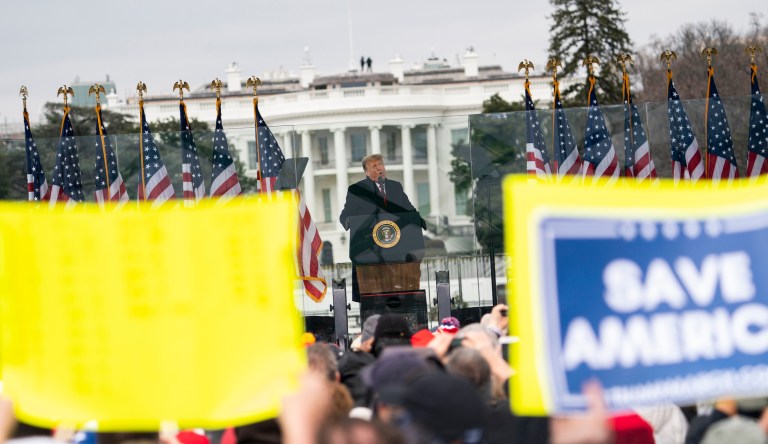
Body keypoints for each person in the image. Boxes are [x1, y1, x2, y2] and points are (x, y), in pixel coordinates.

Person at [339, 154, 426, 302]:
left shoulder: (395, 187)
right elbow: (345, 215)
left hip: (397, 250)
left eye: (381, 164)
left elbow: (408, 209)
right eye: (374, 166)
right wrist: (349, 221)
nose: (379, 168)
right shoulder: (356, 189)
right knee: (372, 299)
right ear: (366, 171)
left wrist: (417, 219)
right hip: (368, 252)